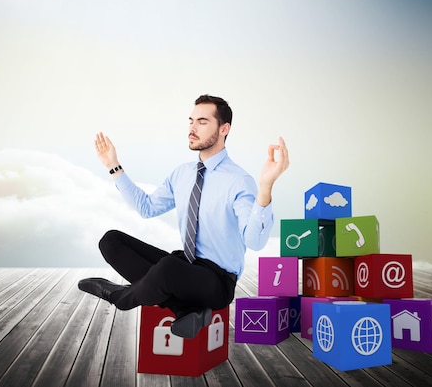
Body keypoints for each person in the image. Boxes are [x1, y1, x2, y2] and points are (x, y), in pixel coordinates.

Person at [78, 94, 289, 338]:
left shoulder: (239, 180)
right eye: (191, 120)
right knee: (111, 241)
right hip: (184, 266)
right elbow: (146, 208)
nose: (192, 128)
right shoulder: (182, 174)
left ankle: (121, 297)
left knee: (167, 268)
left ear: (224, 129)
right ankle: (186, 309)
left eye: (202, 121)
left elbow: (255, 241)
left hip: (217, 280)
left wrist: (266, 187)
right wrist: (113, 167)